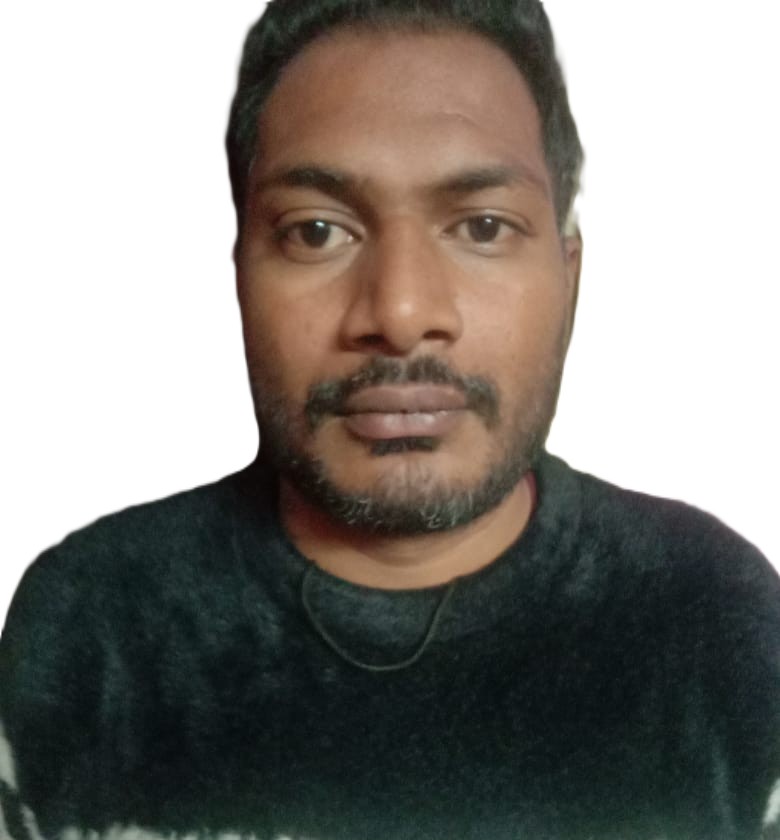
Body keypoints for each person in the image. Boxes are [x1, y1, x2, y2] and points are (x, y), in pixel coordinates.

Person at [1, 1, 778, 838]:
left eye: (482, 227)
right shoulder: (94, 627)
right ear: (239, 272)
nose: (401, 314)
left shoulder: (716, 620)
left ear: (570, 275)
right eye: (316, 231)